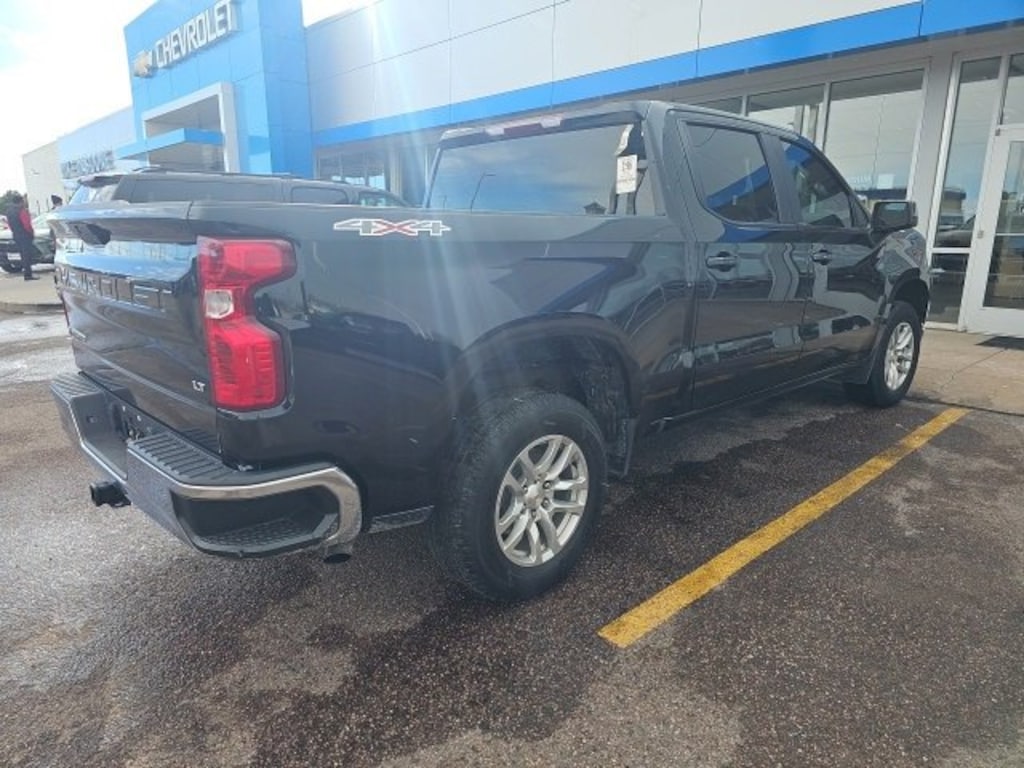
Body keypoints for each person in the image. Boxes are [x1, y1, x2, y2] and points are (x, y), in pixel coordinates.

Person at [4, 193, 38, 280]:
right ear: (20, 202)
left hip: (16, 235)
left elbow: (9, 225)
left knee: (22, 255)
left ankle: (26, 273)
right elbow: (26, 224)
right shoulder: (22, 210)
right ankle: (28, 274)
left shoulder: (9, 212)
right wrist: (31, 233)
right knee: (27, 255)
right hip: (25, 235)